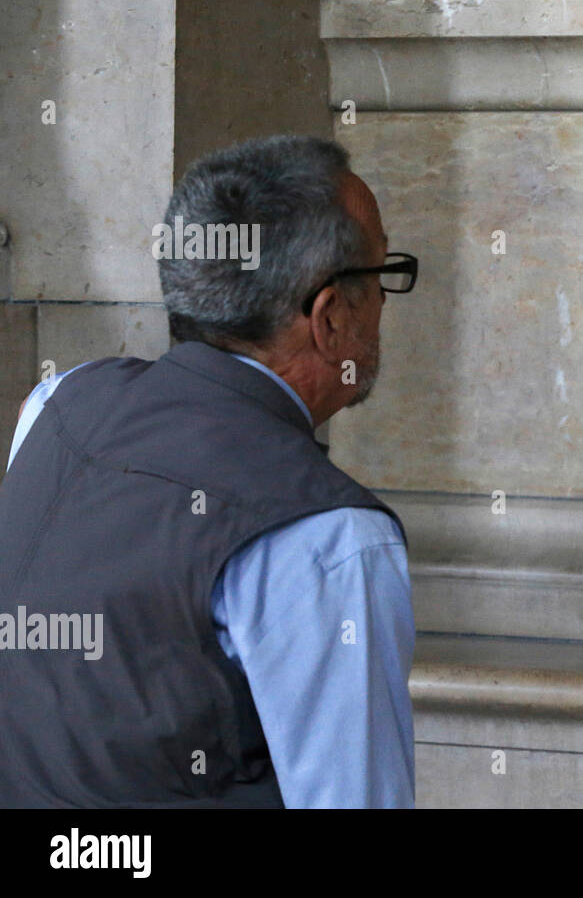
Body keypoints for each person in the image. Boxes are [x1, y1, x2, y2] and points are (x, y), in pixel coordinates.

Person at [0, 135, 420, 807]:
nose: (387, 303)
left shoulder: (57, 404)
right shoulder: (329, 534)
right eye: (380, 277)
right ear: (331, 317)